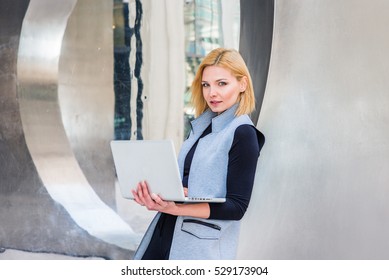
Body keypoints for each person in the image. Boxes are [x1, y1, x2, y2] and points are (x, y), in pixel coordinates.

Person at [131, 48, 265, 260]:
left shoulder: (243, 133)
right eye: (206, 85)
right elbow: (195, 184)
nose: (212, 93)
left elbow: (236, 207)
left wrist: (177, 208)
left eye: (222, 83)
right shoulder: (201, 127)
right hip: (166, 231)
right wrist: (163, 194)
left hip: (199, 246)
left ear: (242, 84)